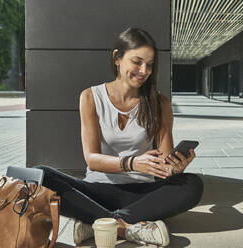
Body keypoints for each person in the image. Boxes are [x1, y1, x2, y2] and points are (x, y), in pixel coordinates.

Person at [36, 27, 203, 247]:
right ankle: (129, 227)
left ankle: (97, 222)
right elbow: (92, 160)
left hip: (142, 194)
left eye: (150, 64)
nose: (144, 70)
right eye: (137, 61)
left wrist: (174, 168)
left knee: (192, 184)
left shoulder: (160, 103)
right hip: (96, 189)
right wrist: (132, 163)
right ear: (117, 58)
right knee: (39, 176)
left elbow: (164, 164)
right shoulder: (90, 97)